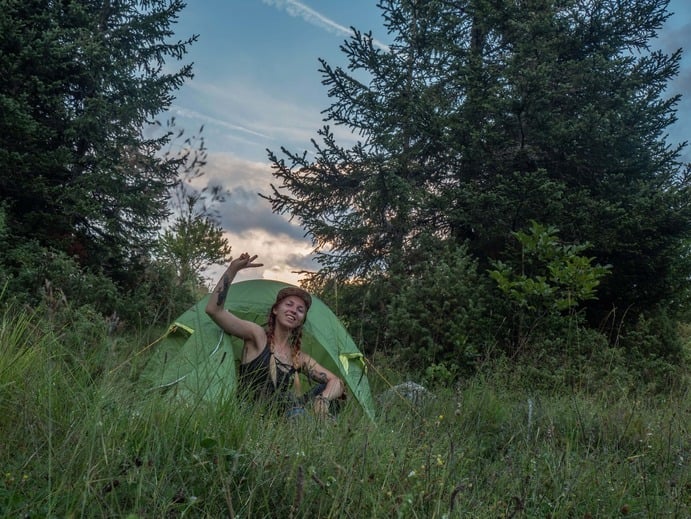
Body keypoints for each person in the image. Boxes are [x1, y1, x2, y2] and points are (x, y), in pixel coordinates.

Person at [205, 252, 345, 418]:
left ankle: (318, 434)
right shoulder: (257, 336)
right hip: (251, 414)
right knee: (297, 414)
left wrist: (322, 399)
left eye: (300, 310)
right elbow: (214, 310)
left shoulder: (298, 358)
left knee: (334, 396)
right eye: (289, 305)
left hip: (282, 414)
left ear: (301, 320)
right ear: (275, 310)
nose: (294, 310)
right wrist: (232, 270)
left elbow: (337, 382)